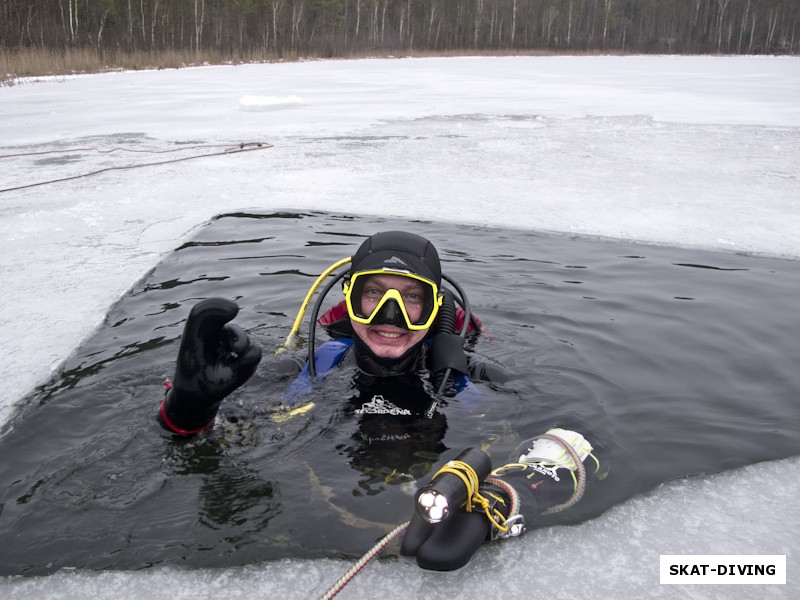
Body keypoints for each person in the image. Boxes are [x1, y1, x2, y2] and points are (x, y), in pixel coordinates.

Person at [157, 230, 605, 571]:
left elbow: (577, 433)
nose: (389, 316)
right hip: (318, 527)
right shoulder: (315, 364)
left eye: (411, 297)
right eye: (375, 293)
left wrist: (507, 498)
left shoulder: (470, 373)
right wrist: (189, 408)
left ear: (436, 307)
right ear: (350, 298)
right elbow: (199, 444)